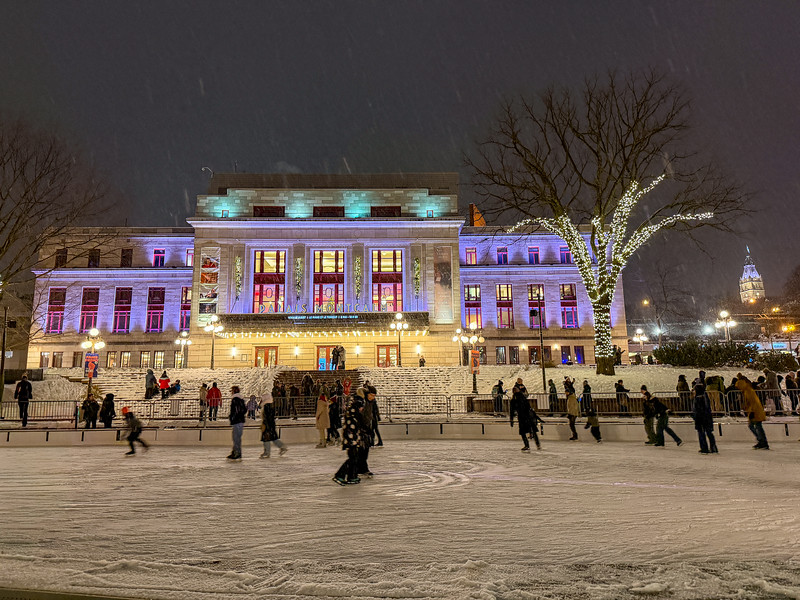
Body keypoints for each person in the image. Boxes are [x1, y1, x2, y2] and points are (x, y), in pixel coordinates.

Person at [333, 394, 367, 485]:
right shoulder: (353, 415)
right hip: (351, 441)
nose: (362, 409)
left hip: (353, 440)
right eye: (361, 407)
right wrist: (353, 441)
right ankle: (340, 474)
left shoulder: (353, 414)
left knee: (355, 459)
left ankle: (352, 476)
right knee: (352, 459)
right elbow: (351, 429)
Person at [736, 374, 769, 449]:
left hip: (755, 411)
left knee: (756, 426)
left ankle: (762, 441)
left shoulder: (748, 391)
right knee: (755, 426)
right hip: (755, 410)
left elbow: (753, 402)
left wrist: (752, 412)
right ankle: (762, 441)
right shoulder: (748, 389)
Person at [510, 381, 541, 451]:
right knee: (533, 430)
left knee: (523, 432)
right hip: (528, 416)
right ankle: (538, 444)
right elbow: (528, 406)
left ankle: (527, 445)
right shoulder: (523, 397)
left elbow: (512, 410)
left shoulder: (514, 399)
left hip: (522, 417)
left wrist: (511, 419)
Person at [259, 392, 288, 458]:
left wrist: (265, 425)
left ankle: (267, 452)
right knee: (273, 438)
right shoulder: (270, 406)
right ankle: (282, 447)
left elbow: (267, 417)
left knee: (266, 439)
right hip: (270, 424)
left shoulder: (266, 406)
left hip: (267, 425)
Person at [692, 384, 718, 454]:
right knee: (709, 433)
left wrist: (695, 416)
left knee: (701, 433)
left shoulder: (698, 398)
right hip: (707, 417)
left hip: (700, 418)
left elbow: (697, 410)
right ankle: (713, 447)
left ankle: (704, 448)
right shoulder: (705, 396)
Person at [227, 385, 247, 460]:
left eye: (231, 391)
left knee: (236, 437)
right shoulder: (241, 399)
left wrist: (232, 417)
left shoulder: (235, 399)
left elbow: (236, 410)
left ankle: (236, 453)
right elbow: (244, 410)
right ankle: (236, 452)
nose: (231, 392)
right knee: (237, 437)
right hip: (240, 420)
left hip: (237, 421)